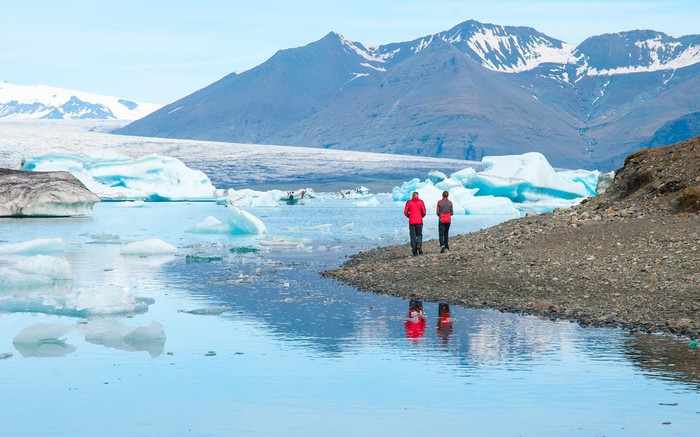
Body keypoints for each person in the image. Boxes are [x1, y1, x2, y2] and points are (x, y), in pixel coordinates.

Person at [404, 191, 426, 256]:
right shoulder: (421, 202)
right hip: (419, 221)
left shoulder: (409, 202)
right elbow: (424, 212)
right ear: (417, 196)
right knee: (419, 234)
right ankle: (419, 245)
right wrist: (420, 216)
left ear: (412, 196)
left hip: (412, 221)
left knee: (413, 236)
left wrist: (409, 216)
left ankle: (414, 251)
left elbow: (405, 212)